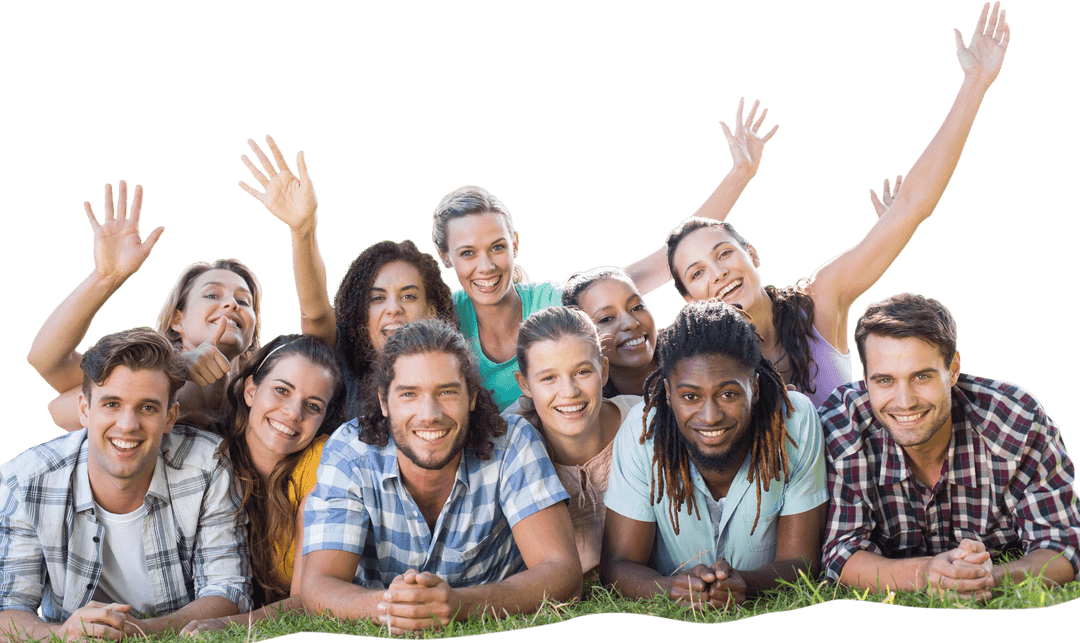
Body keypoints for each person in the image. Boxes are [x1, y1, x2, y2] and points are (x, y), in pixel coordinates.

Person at [664, 1, 1012, 407]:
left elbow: (912, 207)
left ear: (752, 254)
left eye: (724, 252)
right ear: (690, 300)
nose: (719, 273)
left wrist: (975, 83)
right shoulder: (698, 362)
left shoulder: (819, 302)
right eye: (698, 272)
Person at [431, 96, 778, 409]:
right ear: (445, 257)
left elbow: (663, 262)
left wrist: (740, 175)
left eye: (497, 247)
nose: (486, 266)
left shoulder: (553, 304)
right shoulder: (443, 318)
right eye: (467, 254)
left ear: (515, 244)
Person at [301, 319, 581, 635]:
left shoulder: (513, 442)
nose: (430, 414)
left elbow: (562, 571)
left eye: (446, 391)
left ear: (471, 396)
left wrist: (461, 604)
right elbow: (319, 585)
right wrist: (393, 607)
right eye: (409, 394)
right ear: (384, 401)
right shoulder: (349, 451)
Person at [819, 293, 1080, 598]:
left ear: (953, 368)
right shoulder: (844, 425)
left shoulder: (1016, 420)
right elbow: (840, 552)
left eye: (921, 376)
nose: (905, 402)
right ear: (864, 380)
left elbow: (1062, 546)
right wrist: (927, 574)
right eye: (885, 381)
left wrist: (989, 578)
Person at [0, 328, 251, 640]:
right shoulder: (24, 480)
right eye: (111, 404)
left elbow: (227, 590)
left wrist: (141, 632)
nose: (128, 425)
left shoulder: (208, 464)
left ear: (170, 416)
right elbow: (8, 605)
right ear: (84, 410)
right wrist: (61, 635)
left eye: (147, 407)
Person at [600, 300, 827, 609]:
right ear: (668, 393)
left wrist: (745, 584)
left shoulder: (794, 420)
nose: (709, 416)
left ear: (755, 388)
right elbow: (618, 564)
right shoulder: (642, 430)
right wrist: (671, 588)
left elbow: (800, 561)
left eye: (728, 394)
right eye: (691, 396)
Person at [236, 135, 457, 420]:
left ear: (430, 310)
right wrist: (304, 230)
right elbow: (315, 313)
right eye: (377, 298)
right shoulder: (343, 370)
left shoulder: (452, 368)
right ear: (362, 317)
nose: (394, 308)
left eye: (409, 296)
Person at [27, 180, 263, 431]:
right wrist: (106, 277)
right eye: (212, 295)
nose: (230, 304)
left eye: (243, 301)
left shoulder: (261, 399)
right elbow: (48, 365)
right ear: (177, 319)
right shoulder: (138, 367)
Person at [180, 335, 345, 635]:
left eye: (313, 406)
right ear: (251, 391)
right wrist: (178, 364)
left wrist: (225, 626)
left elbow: (307, 601)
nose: (293, 413)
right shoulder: (209, 453)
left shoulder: (323, 465)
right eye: (281, 390)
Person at [507, 306, 641, 577]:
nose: (569, 392)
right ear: (524, 384)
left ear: (603, 371)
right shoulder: (509, 442)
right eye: (548, 378)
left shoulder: (640, 422)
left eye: (582, 372)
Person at [561, 266, 657, 398]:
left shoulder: (689, 357)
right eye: (606, 319)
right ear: (583, 337)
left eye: (637, 307)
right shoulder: (585, 402)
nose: (631, 324)